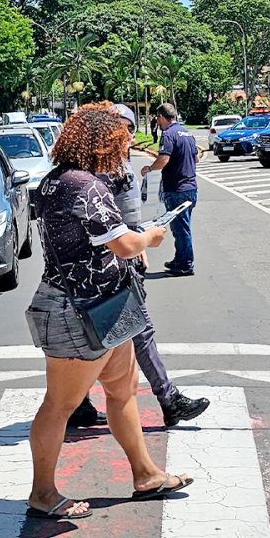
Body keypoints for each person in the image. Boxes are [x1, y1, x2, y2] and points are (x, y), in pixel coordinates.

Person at [25, 101, 194, 520]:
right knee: (59, 405)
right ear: (102, 142)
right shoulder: (87, 186)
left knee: (122, 392)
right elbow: (124, 244)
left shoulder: (54, 181)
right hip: (77, 310)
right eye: (119, 143)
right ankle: (42, 492)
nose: (123, 150)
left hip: (101, 306)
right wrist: (152, 236)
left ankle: (146, 474)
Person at [68, 104, 209, 429]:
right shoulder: (106, 170)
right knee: (125, 333)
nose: (128, 136)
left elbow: (125, 216)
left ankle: (82, 403)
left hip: (117, 257)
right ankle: (166, 399)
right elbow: (110, 221)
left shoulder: (112, 164)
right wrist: (136, 243)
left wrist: (137, 239)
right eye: (122, 129)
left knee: (113, 335)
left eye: (130, 129)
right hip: (108, 262)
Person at [141, 103, 198, 277]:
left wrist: (149, 169)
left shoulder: (168, 135)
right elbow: (196, 159)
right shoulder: (187, 133)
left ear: (161, 117)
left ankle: (186, 264)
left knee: (181, 228)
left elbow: (163, 159)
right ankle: (180, 258)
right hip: (190, 187)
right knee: (180, 226)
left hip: (177, 189)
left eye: (157, 119)